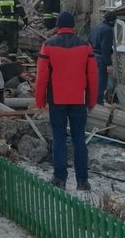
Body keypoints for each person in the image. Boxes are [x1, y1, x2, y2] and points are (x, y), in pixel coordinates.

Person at [34, 11, 98, 191]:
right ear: (73, 26)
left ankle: (60, 179)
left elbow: (42, 78)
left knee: (59, 139)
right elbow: (93, 76)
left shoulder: (48, 45)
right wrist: (91, 101)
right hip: (79, 100)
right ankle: (82, 181)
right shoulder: (85, 46)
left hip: (57, 100)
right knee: (79, 140)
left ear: (58, 26)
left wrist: (39, 100)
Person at [88, 12, 117, 106]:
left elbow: (88, 42)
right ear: (112, 21)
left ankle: (92, 101)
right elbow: (105, 48)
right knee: (101, 82)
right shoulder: (107, 30)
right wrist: (109, 64)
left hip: (92, 57)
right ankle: (98, 103)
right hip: (101, 59)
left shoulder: (96, 27)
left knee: (93, 81)